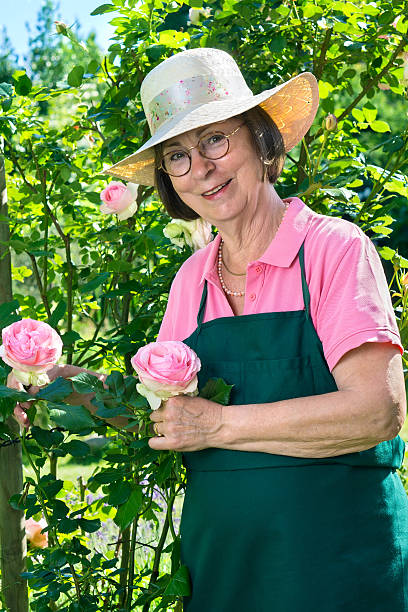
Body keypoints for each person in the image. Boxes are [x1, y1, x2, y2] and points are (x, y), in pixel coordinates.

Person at [13, 48, 408, 610]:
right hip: (225, 571)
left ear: (261, 140)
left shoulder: (332, 249)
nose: (201, 168)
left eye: (215, 141)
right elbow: (165, 413)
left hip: (341, 566)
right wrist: (52, 378)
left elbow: (376, 410)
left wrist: (219, 426)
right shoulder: (191, 280)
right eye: (177, 156)